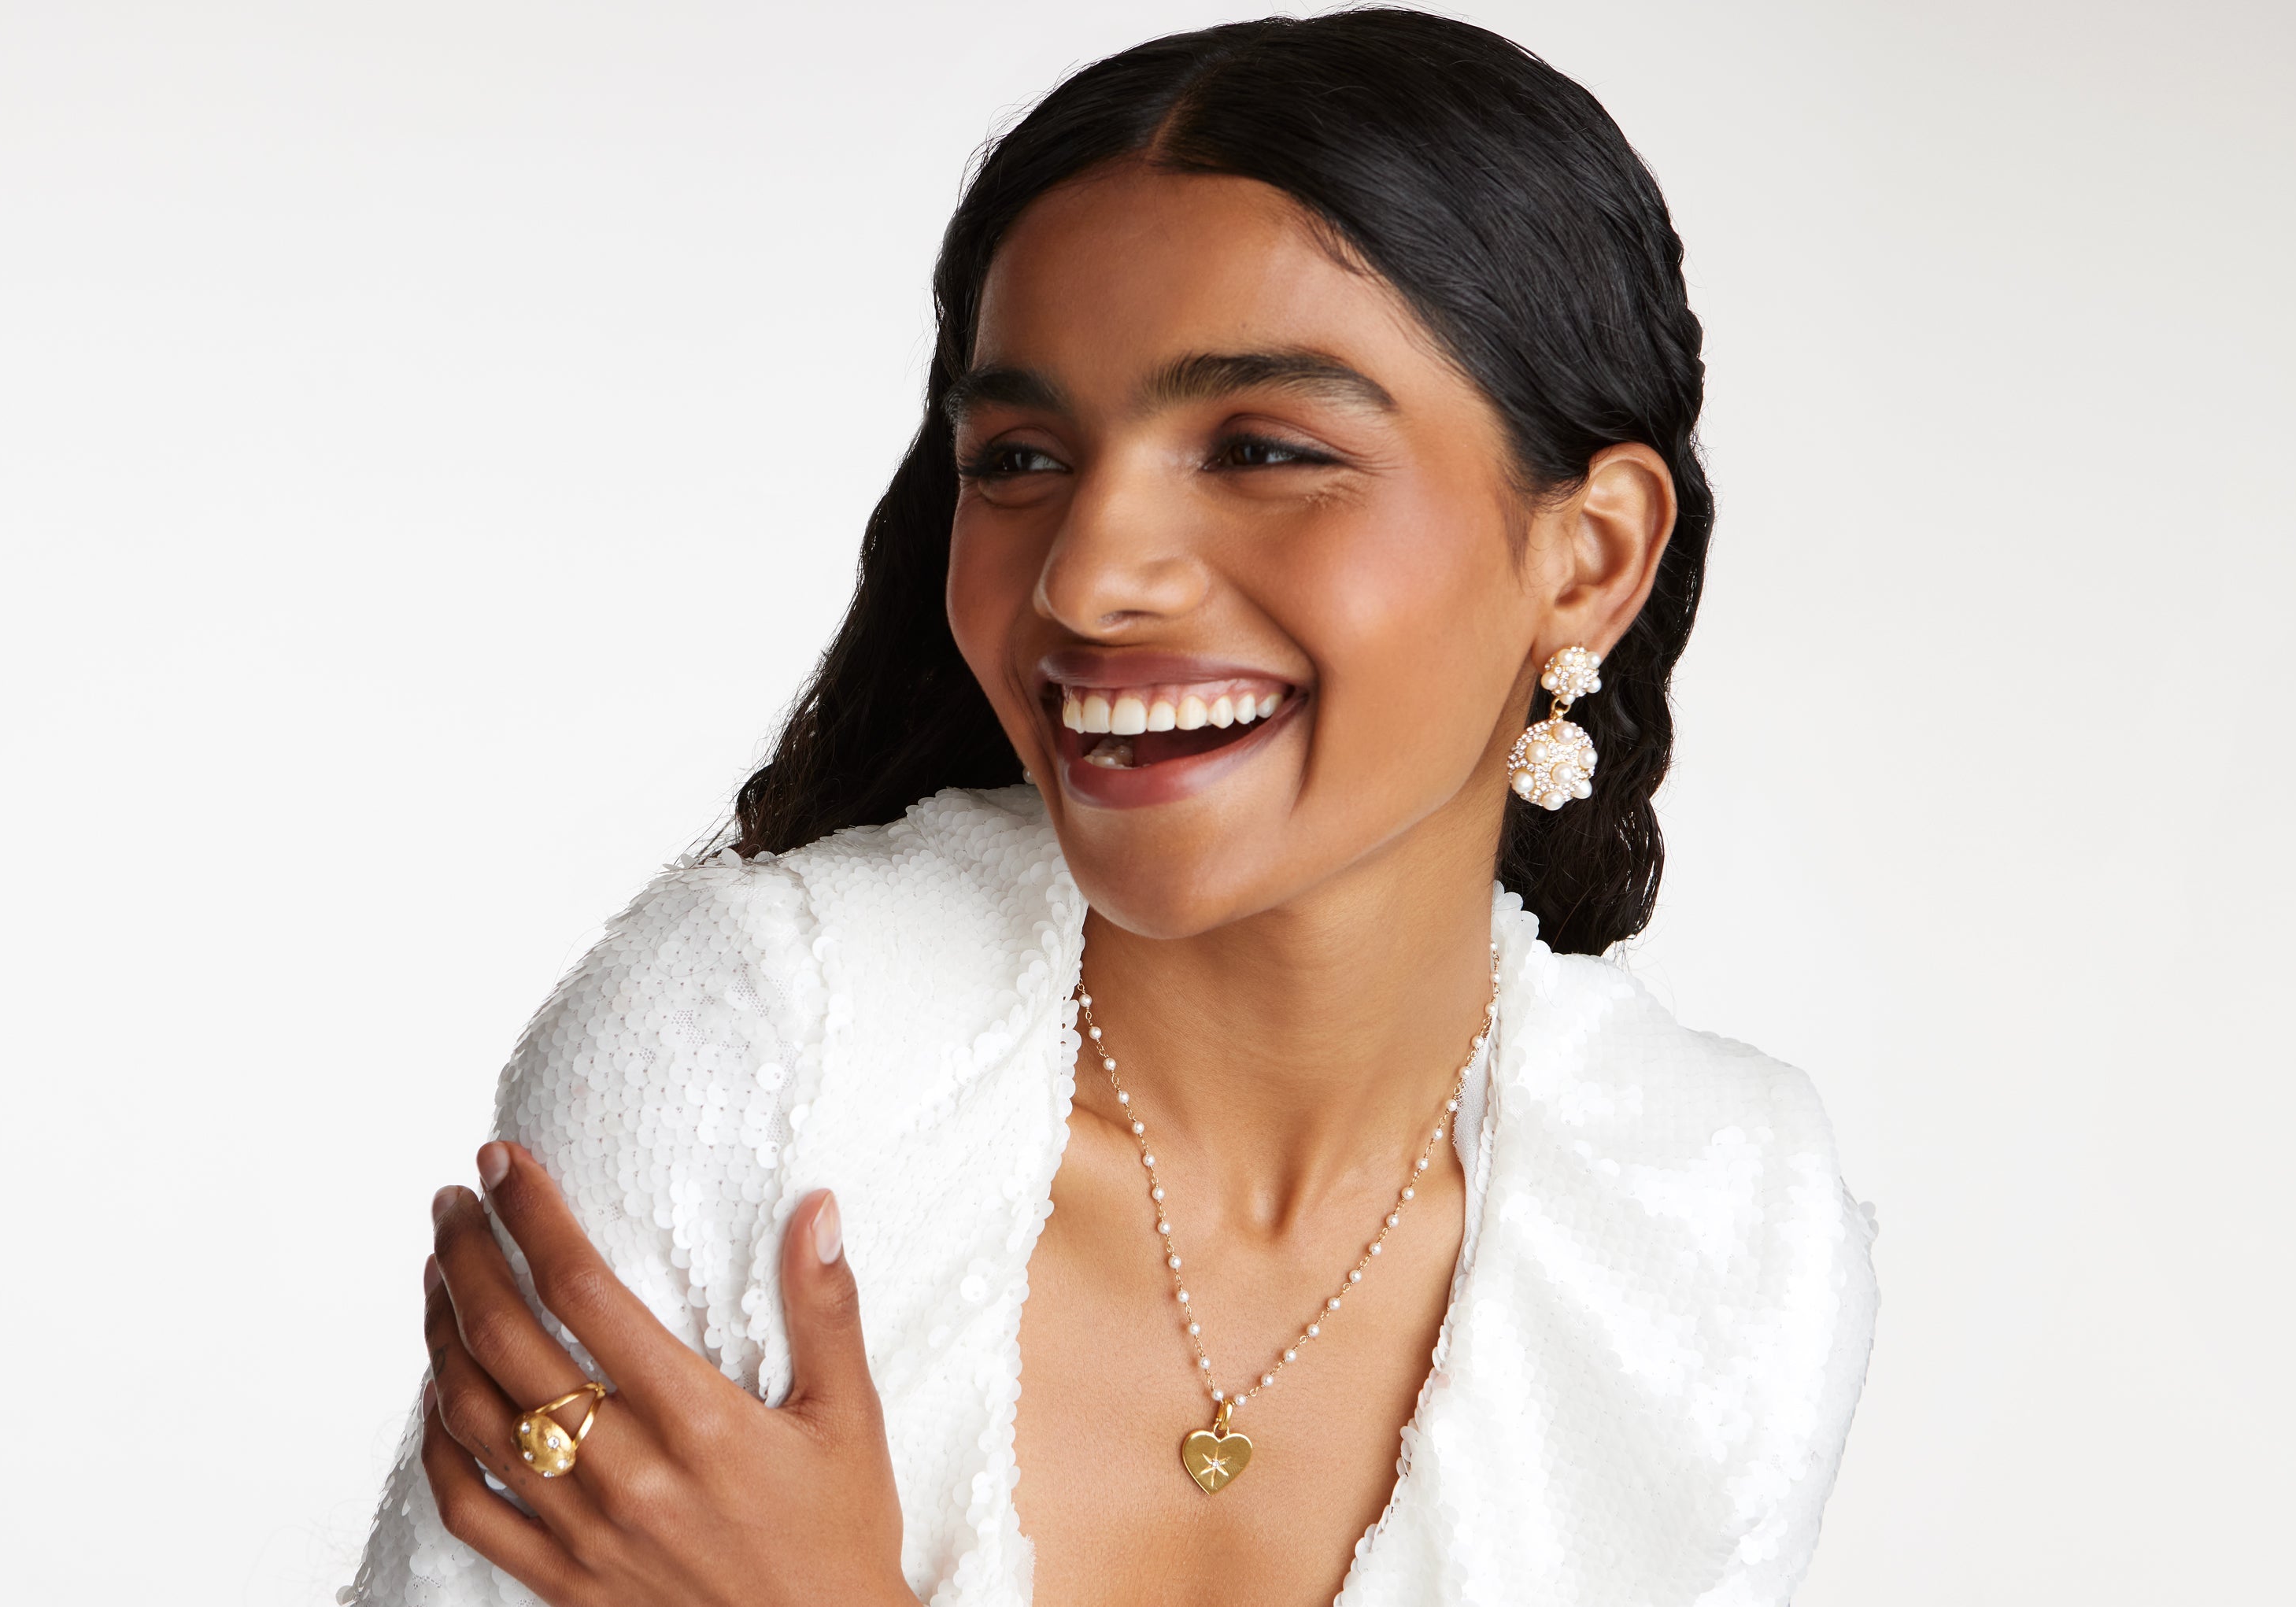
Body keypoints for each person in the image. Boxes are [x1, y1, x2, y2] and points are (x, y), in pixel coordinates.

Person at [346, 11, 1876, 1605]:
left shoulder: (1720, 1229)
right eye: (1017, 458)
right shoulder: (770, 1053)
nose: (1084, 577)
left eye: (1264, 447)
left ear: (1590, 557)